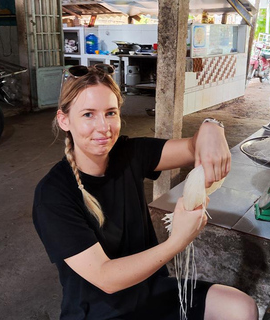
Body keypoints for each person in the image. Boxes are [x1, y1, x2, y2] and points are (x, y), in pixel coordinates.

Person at [32, 64, 258, 320]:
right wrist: (177, 241)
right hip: (99, 311)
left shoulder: (129, 154)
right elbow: (105, 277)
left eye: (110, 113)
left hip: (150, 291)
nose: (103, 127)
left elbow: (193, 147)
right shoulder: (53, 195)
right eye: (88, 115)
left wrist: (212, 127)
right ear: (64, 120)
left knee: (241, 307)